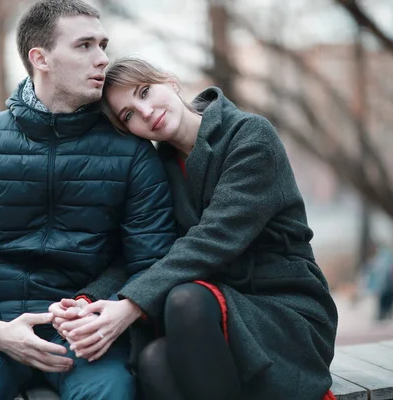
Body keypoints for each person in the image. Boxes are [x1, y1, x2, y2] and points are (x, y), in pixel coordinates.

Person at [0, 4, 176, 399]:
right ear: (40, 58)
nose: (103, 58)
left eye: (103, 44)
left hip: (86, 327)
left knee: (109, 393)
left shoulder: (133, 152)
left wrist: (101, 311)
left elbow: (150, 262)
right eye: (85, 45)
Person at [53, 57, 339, 400]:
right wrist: (88, 301)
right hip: (209, 320)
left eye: (145, 92)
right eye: (128, 115)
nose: (144, 112)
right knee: (152, 361)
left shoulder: (250, 136)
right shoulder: (159, 169)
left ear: (170, 82)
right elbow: (145, 253)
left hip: (283, 311)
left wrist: (129, 306)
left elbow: (213, 240)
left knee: (184, 298)